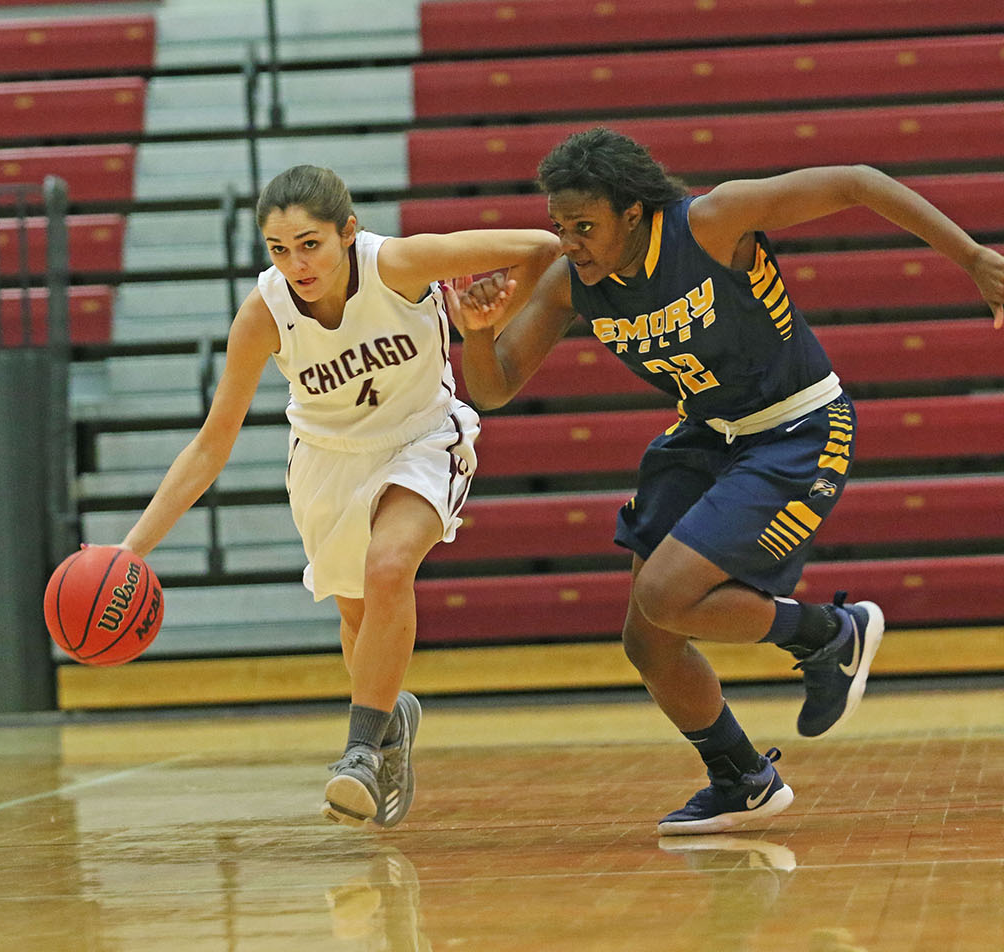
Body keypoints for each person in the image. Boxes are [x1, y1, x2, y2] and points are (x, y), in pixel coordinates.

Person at [447, 127, 1004, 835]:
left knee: (664, 593)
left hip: (798, 427)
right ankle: (742, 778)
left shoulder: (713, 223)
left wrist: (973, 257)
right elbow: (492, 392)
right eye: (560, 227)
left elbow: (858, 178)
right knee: (648, 638)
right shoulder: (570, 284)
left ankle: (830, 633)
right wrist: (478, 332)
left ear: (633, 214)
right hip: (709, 434)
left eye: (584, 227)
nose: (570, 242)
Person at [117, 163, 559, 828]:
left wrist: (495, 313)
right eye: (278, 249)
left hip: (422, 439)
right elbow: (212, 443)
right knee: (358, 622)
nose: (296, 263)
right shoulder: (265, 313)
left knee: (389, 569)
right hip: (326, 464)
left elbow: (544, 248)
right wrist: (131, 550)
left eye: (310, 244)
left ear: (348, 232)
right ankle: (388, 724)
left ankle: (358, 755)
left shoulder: (399, 264)